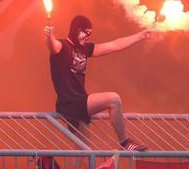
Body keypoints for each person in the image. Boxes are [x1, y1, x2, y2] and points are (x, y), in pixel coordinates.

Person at [45, 15, 153, 151]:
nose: (88, 37)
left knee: (84, 152)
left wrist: (140, 36)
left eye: (90, 34)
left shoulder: (85, 49)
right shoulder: (63, 46)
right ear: (77, 30)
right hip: (71, 103)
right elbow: (53, 46)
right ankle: (125, 143)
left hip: (79, 104)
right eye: (86, 33)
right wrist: (49, 37)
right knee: (113, 99)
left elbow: (113, 46)